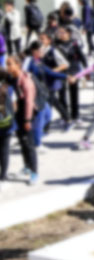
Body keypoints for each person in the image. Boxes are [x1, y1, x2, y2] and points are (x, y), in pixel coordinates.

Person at [3, 56, 39, 185]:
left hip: (27, 114)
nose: (7, 66)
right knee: (22, 142)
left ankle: (34, 172)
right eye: (7, 64)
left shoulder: (26, 80)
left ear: (18, 65)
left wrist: (27, 120)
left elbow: (29, 101)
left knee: (29, 144)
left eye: (10, 64)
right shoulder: (13, 77)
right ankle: (27, 167)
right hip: (18, 114)